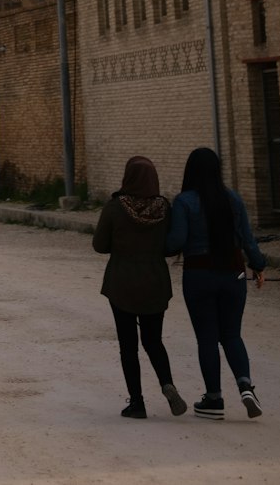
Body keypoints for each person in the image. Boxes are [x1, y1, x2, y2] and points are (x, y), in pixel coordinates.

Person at [165, 147, 267, 420]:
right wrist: (258, 266)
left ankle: (214, 399)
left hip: (199, 275)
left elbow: (175, 242)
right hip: (233, 274)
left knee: (207, 338)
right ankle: (245, 385)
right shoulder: (233, 199)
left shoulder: (184, 202)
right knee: (232, 334)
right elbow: (248, 240)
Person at [92, 155, 187, 420]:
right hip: (155, 281)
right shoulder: (163, 208)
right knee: (153, 340)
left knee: (128, 345)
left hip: (121, 282)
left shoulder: (115, 207)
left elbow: (99, 245)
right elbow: (170, 247)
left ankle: (137, 402)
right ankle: (167, 383)